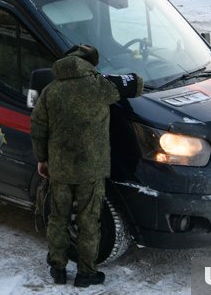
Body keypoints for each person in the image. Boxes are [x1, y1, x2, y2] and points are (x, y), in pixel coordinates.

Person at [30, 44, 143, 287]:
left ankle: (58, 269)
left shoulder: (51, 90)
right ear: (89, 64)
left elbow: (37, 127)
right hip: (91, 169)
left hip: (59, 167)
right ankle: (86, 273)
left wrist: (42, 158)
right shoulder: (100, 87)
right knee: (89, 220)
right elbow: (138, 85)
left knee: (58, 218)